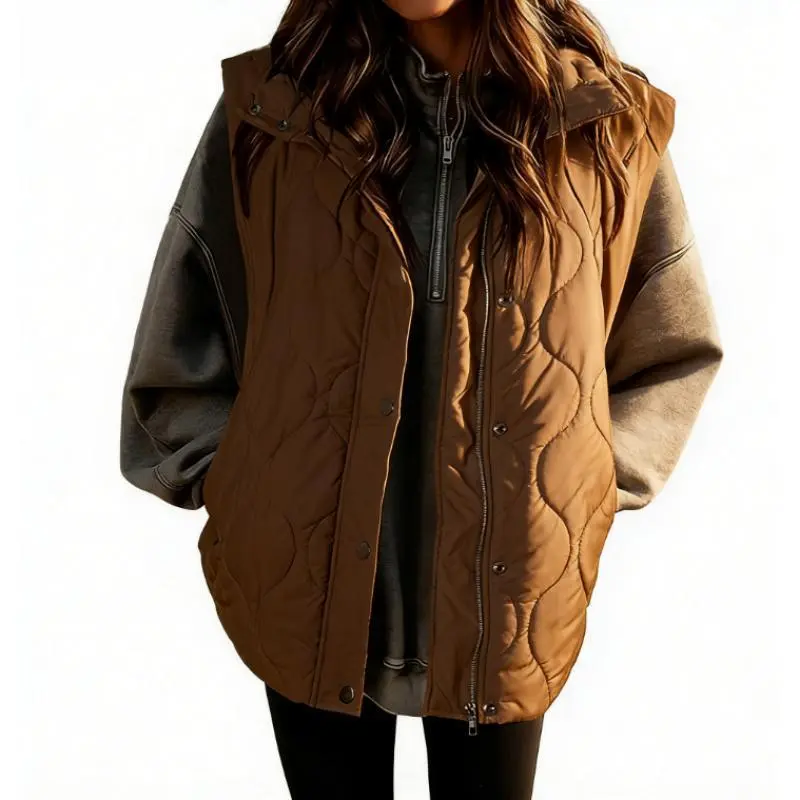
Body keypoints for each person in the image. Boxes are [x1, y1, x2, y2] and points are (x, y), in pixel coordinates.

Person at [119, 1, 724, 797]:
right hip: (303, 580)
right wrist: (237, 485)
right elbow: (188, 317)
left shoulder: (602, 124)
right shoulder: (276, 111)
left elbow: (672, 344)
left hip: (510, 592)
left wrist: (582, 490)